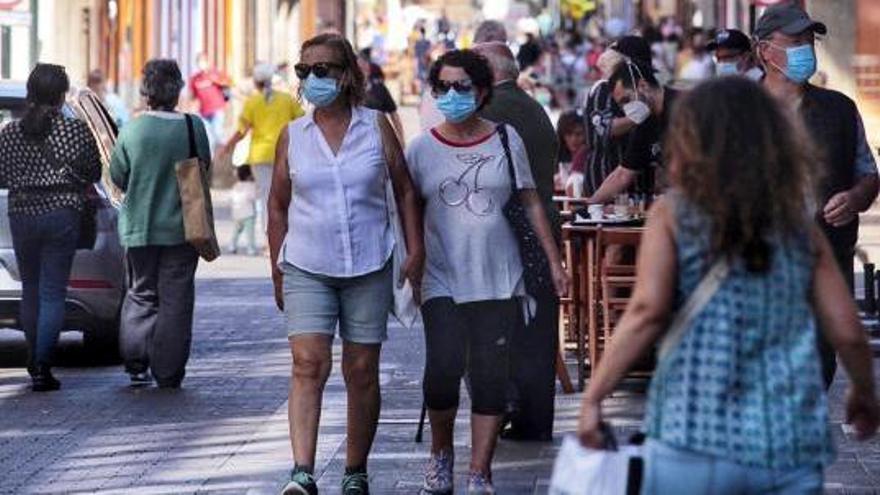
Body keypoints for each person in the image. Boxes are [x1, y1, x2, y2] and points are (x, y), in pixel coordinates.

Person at [577, 76, 880, 495]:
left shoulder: (673, 215)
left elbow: (646, 313)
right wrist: (864, 392)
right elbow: (847, 330)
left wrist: (593, 397)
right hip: (786, 443)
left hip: (691, 435)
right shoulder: (797, 225)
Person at [268, 33, 424, 495]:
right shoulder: (292, 135)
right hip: (306, 265)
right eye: (304, 70)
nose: (312, 79)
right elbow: (277, 205)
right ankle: (302, 472)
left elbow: (405, 190)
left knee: (360, 370)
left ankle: (355, 470)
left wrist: (415, 249)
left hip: (369, 262)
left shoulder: (376, 127)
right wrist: (277, 266)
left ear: (347, 75)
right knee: (307, 364)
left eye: (323, 69)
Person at [407, 49, 568, 494]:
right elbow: (409, 210)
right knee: (441, 370)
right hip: (442, 276)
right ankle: (441, 454)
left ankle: (480, 470)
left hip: (499, 274)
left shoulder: (504, 138)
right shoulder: (420, 149)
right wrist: (412, 259)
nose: (452, 95)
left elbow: (531, 199)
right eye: (443, 87)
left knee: (490, 374)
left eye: (462, 87)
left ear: (480, 92)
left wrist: (554, 262)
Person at [755, 3, 879, 386]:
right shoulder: (739, 112)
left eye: (809, 40)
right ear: (764, 51)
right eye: (795, 41)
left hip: (826, 257)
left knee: (820, 366)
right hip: (759, 263)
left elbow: (869, 174)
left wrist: (856, 197)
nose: (805, 49)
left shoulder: (838, 109)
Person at [473, 41, 561, 442]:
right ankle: (535, 418)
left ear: (489, 73)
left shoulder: (491, 111)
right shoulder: (534, 107)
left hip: (509, 230)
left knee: (494, 323)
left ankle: (501, 404)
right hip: (542, 227)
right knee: (538, 330)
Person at [110, 59, 211, 389]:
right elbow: (204, 167)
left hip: (139, 227)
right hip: (184, 229)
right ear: (178, 90)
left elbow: (118, 176)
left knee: (141, 293)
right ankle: (168, 372)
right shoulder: (192, 126)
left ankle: (136, 361)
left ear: (145, 91)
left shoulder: (132, 129)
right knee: (176, 299)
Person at [0, 64, 101, 392]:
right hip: (62, 213)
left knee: (30, 288)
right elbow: (94, 171)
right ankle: (42, 363)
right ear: (61, 96)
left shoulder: (10, 133)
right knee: (53, 290)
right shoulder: (74, 131)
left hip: (22, 214)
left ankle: (34, 356)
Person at [220, 63, 304, 246]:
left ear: (256, 83)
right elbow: (302, 122)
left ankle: (271, 242)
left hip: (260, 156)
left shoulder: (252, 102)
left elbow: (242, 130)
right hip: (285, 153)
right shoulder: (287, 99)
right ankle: (288, 238)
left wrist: (226, 147)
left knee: (268, 198)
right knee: (288, 195)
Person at [587, 60, 679, 205]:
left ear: (642, 86)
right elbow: (623, 174)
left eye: (626, 100)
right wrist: (590, 206)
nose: (626, 109)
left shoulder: (685, 108)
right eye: (621, 105)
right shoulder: (646, 122)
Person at [577, 36, 651, 197]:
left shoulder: (642, 87)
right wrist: (637, 116)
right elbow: (605, 127)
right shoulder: (604, 88)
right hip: (606, 183)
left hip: (637, 187)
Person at [358, 50, 405, 141]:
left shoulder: (380, 89)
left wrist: (401, 139)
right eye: (359, 69)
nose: (362, 72)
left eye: (364, 68)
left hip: (379, 141)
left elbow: (394, 114)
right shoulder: (348, 92)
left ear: (368, 69)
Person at [189, 53, 230, 150]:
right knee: (208, 138)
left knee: (218, 133)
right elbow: (193, 96)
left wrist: (215, 80)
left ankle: (225, 154)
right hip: (204, 112)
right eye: (199, 62)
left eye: (203, 61)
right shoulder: (195, 79)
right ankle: (210, 161)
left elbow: (226, 84)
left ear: (207, 62)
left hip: (217, 109)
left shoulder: (215, 73)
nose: (201, 64)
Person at [554, 110, 586, 194]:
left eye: (578, 134)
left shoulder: (591, 156)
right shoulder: (556, 155)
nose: (573, 139)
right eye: (569, 134)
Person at [228, 165, 257, 256]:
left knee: (236, 231)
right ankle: (250, 248)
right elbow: (253, 197)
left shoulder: (236, 186)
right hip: (248, 213)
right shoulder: (251, 185)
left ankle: (232, 245)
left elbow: (231, 198)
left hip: (237, 212)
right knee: (250, 232)